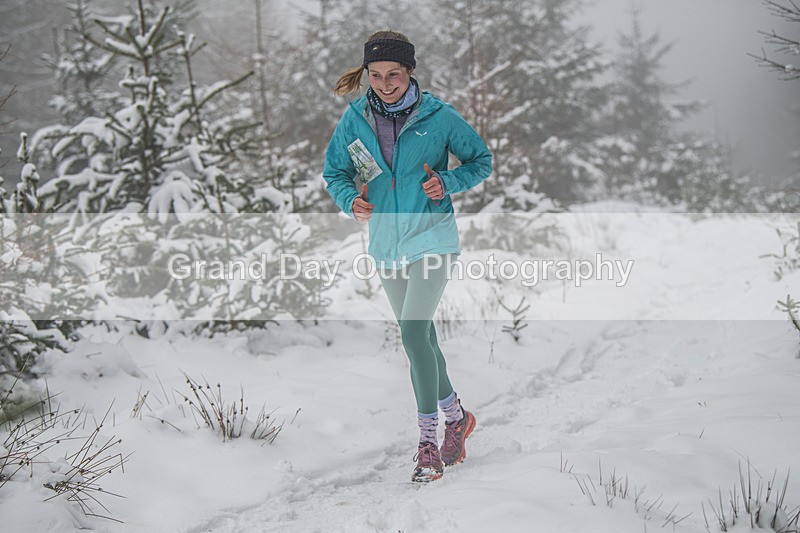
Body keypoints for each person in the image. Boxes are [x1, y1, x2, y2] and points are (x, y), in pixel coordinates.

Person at [323, 30, 493, 483]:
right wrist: (349, 199)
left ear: (410, 71)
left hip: (433, 236)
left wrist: (448, 181)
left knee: (414, 336)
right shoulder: (355, 118)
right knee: (423, 340)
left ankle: (427, 442)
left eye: (393, 74)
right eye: (375, 75)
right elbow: (335, 172)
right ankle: (458, 417)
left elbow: (481, 160)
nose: (384, 83)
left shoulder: (439, 117)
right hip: (385, 242)